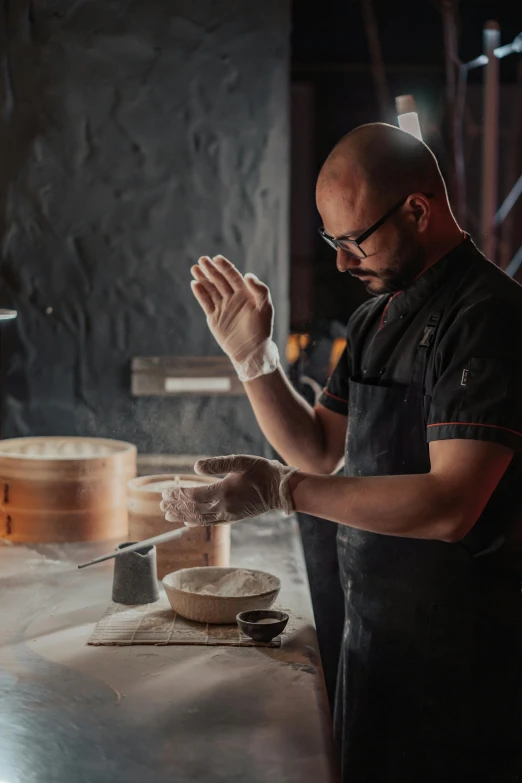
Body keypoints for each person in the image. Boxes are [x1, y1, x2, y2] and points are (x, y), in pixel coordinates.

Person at [161, 123, 522, 782]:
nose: (341, 263)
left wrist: (281, 490)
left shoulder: (487, 316)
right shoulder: (374, 319)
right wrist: (253, 359)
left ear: (418, 210)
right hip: (376, 645)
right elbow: (321, 449)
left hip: (467, 672)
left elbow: (451, 505)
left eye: (354, 240)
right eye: (333, 242)